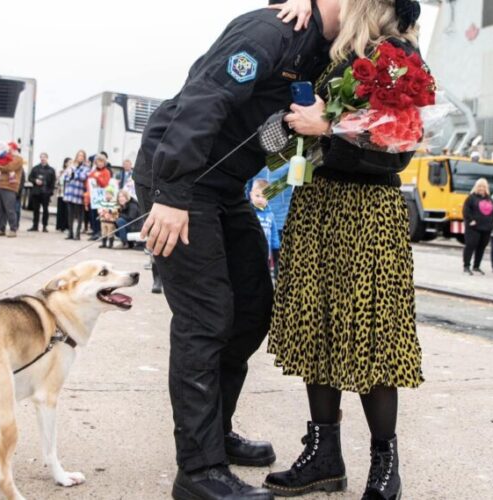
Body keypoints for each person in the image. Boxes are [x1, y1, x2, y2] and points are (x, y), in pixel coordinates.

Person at [132, 0, 329, 497]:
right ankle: (199, 471)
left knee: (251, 309)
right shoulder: (271, 30)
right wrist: (171, 194)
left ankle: (214, 434)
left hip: (224, 186)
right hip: (182, 181)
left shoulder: (322, 49)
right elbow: (205, 99)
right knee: (206, 317)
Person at [264, 3, 426, 499]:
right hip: (318, 204)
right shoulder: (340, 53)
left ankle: (385, 463)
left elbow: (397, 150)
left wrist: (329, 129)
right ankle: (324, 457)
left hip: (366, 212)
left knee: (371, 337)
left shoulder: (397, 57)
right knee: (317, 330)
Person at [462, 178, 493, 275]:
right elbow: (466, 211)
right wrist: (470, 220)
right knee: (470, 245)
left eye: (483, 186)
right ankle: (466, 266)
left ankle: (476, 266)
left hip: (486, 228)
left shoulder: (490, 199)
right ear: (476, 187)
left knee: (482, 247)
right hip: (473, 228)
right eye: (480, 186)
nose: (481, 188)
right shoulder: (471, 198)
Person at [0, 141, 24, 238]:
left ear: (13, 148)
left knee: (10, 209)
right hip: (0, 185)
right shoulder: (5, 157)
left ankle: (13, 229)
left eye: (9, 148)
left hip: (10, 186)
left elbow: (10, 167)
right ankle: (1, 229)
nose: (7, 150)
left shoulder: (18, 158)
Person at [249, 179, 280, 276]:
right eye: (257, 196)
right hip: (250, 254)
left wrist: (276, 249)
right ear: (251, 195)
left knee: (264, 276)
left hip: (265, 255)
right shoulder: (248, 213)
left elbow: (274, 234)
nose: (260, 199)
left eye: (264, 197)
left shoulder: (270, 215)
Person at [63, 150, 90, 240]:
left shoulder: (86, 167)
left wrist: (73, 174)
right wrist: (72, 174)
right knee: (70, 214)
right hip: (70, 192)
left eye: (82, 156)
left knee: (79, 215)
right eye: (79, 155)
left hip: (79, 193)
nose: (80, 157)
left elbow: (83, 177)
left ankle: (77, 234)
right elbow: (66, 176)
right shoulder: (72, 165)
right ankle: (70, 233)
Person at [28, 152, 57, 232]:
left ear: (47, 158)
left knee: (45, 210)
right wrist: (35, 180)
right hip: (36, 192)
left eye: (44, 157)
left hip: (45, 193)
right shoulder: (35, 168)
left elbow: (53, 182)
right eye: (41, 157)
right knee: (36, 210)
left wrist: (50, 192)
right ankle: (35, 226)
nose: (43, 158)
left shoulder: (51, 170)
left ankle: (44, 226)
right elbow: (30, 178)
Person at [86, 155, 113, 240]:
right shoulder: (93, 172)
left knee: (100, 214)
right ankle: (94, 231)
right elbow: (89, 182)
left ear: (104, 163)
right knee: (93, 215)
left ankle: (99, 232)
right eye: (98, 161)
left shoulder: (106, 172)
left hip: (101, 196)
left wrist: (98, 177)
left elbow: (105, 184)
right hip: (93, 196)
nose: (100, 163)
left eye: (102, 161)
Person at [55, 157, 71, 232]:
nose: (70, 164)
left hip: (67, 193)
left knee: (66, 210)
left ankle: (66, 226)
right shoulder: (61, 171)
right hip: (60, 192)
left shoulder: (71, 171)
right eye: (69, 162)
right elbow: (58, 181)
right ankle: (59, 225)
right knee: (60, 210)